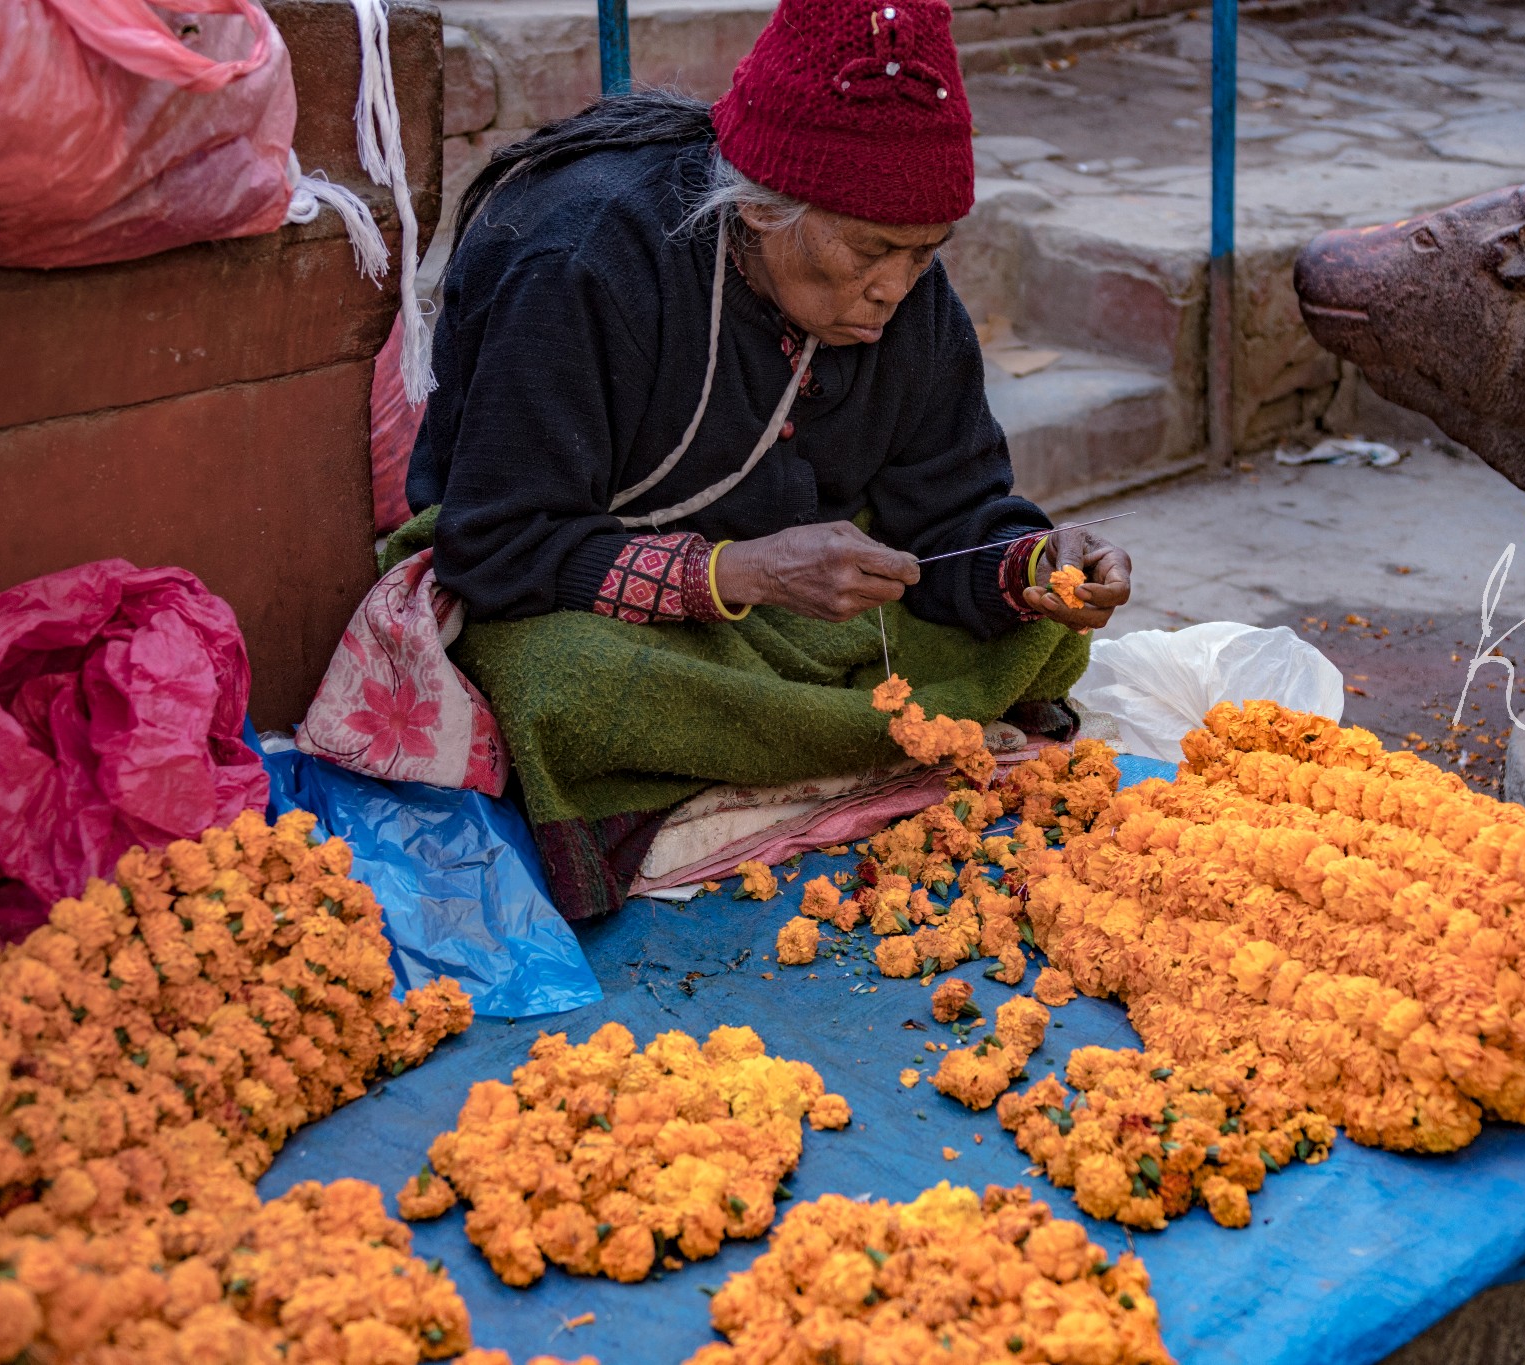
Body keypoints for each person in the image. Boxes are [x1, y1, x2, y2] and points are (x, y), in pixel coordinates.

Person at [391, 0, 1133, 917]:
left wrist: (1034, 566)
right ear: (761, 203)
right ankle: (821, 743)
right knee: (561, 683)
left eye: (924, 252)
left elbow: (949, 515)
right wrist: (738, 572)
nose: (896, 288)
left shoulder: (909, 297)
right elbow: (494, 549)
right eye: (872, 250)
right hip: (578, 587)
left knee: (1039, 631)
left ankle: (773, 750)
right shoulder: (579, 258)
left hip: (793, 608)